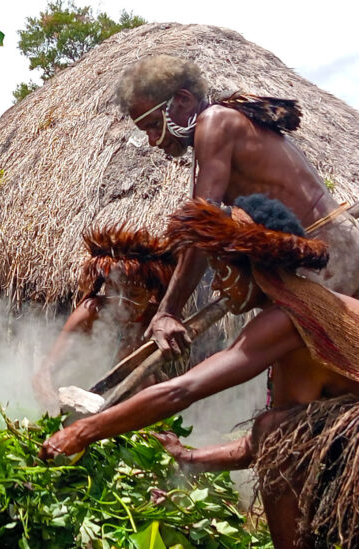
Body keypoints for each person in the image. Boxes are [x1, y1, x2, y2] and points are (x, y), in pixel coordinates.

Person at [40, 195, 359, 548]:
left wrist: (84, 431)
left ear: (254, 267)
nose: (218, 287)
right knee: (277, 428)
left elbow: (182, 391)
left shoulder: (287, 320)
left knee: (275, 428)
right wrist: (188, 458)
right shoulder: (301, 320)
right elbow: (261, 445)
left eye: (221, 272)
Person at [116, 54, 359, 358]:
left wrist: (169, 311)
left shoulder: (215, 122)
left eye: (154, 125)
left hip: (328, 258)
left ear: (182, 100)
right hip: (330, 250)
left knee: (288, 370)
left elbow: (203, 227)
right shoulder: (223, 123)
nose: (153, 140)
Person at [32, 224, 176, 411]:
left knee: (147, 381)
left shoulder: (157, 321)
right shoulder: (90, 313)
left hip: (129, 405)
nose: (121, 302)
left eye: (134, 294)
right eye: (114, 290)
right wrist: (51, 401)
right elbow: (45, 372)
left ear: (152, 292)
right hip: (80, 395)